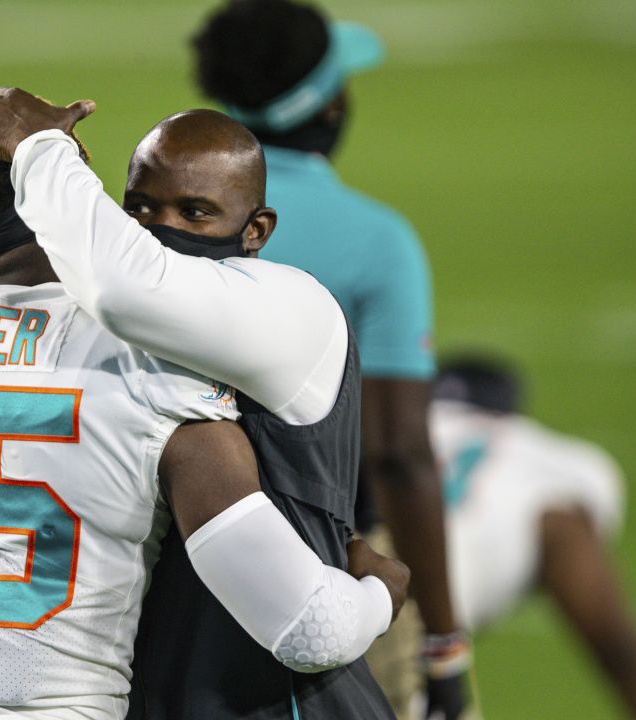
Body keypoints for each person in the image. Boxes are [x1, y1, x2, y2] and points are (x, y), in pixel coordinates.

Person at [0, 88, 407, 718]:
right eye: (136, 210)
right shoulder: (142, 362)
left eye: (195, 213)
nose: (160, 234)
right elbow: (309, 624)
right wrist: (385, 586)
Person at [191, 2, 468, 717]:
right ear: (331, 106)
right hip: (339, 573)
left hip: (184, 571)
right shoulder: (378, 243)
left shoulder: (153, 220)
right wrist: (443, 643)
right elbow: (399, 452)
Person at [409, 356, 636, 720]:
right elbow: (618, 645)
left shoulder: (394, 424)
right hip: (413, 635)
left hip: (352, 603)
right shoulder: (554, 464)